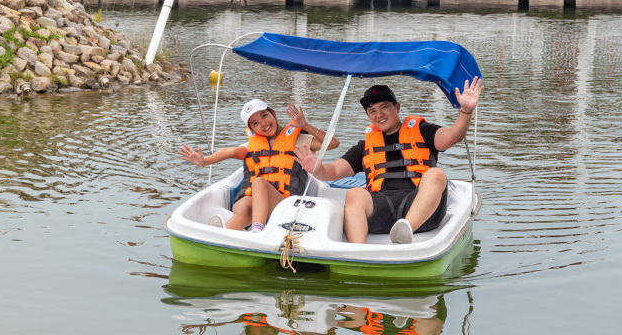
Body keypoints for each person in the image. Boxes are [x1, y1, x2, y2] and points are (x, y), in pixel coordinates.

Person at [294, 79, 482, 244]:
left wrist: (465, 111)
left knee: (436, 175)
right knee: (354, 193)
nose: (379, 114)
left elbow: (453, 136)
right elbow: (333, 171)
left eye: (384, 107)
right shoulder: (364, 146)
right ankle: (356, 252)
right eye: (372, 111)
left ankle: (405, 230)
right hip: (382, 208)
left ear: (397, 107)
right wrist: (316, 169)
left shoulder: (423, 131)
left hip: (422, 211)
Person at [179, 99, 339, 232]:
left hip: (284, 204)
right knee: (244, 207)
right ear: (251, 129)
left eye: (264, 116)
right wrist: (205, 161)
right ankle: (221, 236)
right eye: (256, 123)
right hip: (253, 203)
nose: (263, 124)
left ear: (273, 113)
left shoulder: (298, 140)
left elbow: (333, 143)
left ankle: (256, 231)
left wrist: (305, 125)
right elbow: (229, 151)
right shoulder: (251, 146)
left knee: (259, 182)